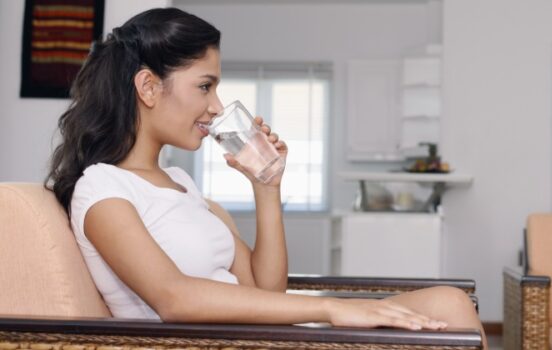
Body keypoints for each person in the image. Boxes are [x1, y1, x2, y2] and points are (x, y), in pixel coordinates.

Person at [45, 7, 484, 346]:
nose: (217, 106)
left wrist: (267, 186)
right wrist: (333, 309)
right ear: (148, 87)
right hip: (219, 343)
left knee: (450, 303)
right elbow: (174, 298)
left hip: (261, 334)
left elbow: (265, 287)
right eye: (205, 86)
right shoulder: (102, 188)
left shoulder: (181, 183)